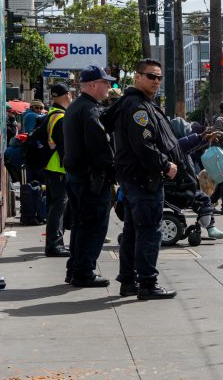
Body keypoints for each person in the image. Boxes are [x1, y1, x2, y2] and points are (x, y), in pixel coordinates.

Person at [101, 59, 178, 299]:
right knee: (148, 232)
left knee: (133, 231)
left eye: (158, 77)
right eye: (150, 76)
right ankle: (147, 284)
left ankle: (128, 281)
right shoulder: (137, 107)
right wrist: (165, 165)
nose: (155, 81)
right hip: (144, 179)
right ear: (137, 77)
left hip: (133, 178)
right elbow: (143, 145)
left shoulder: (135, 103)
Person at [61, 67, 115, 288]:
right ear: (93, 85)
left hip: (78, 176)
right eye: (105, 83)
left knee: (82, 225)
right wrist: (112, 171)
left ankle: (75, 268)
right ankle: (84, 272)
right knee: (93, 226)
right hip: (90, 179)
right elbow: (100, 148)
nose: (109, 87)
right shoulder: (90, 110)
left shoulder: (76, 107)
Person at [43, 83, 72, 258]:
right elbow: (64, 147)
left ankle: (55, 243)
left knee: (56, 207)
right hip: (59, 168)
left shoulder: (52, 114)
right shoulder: (60, 117)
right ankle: (54, 245)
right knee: (57, 209)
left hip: (52, 167)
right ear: (67, 95)